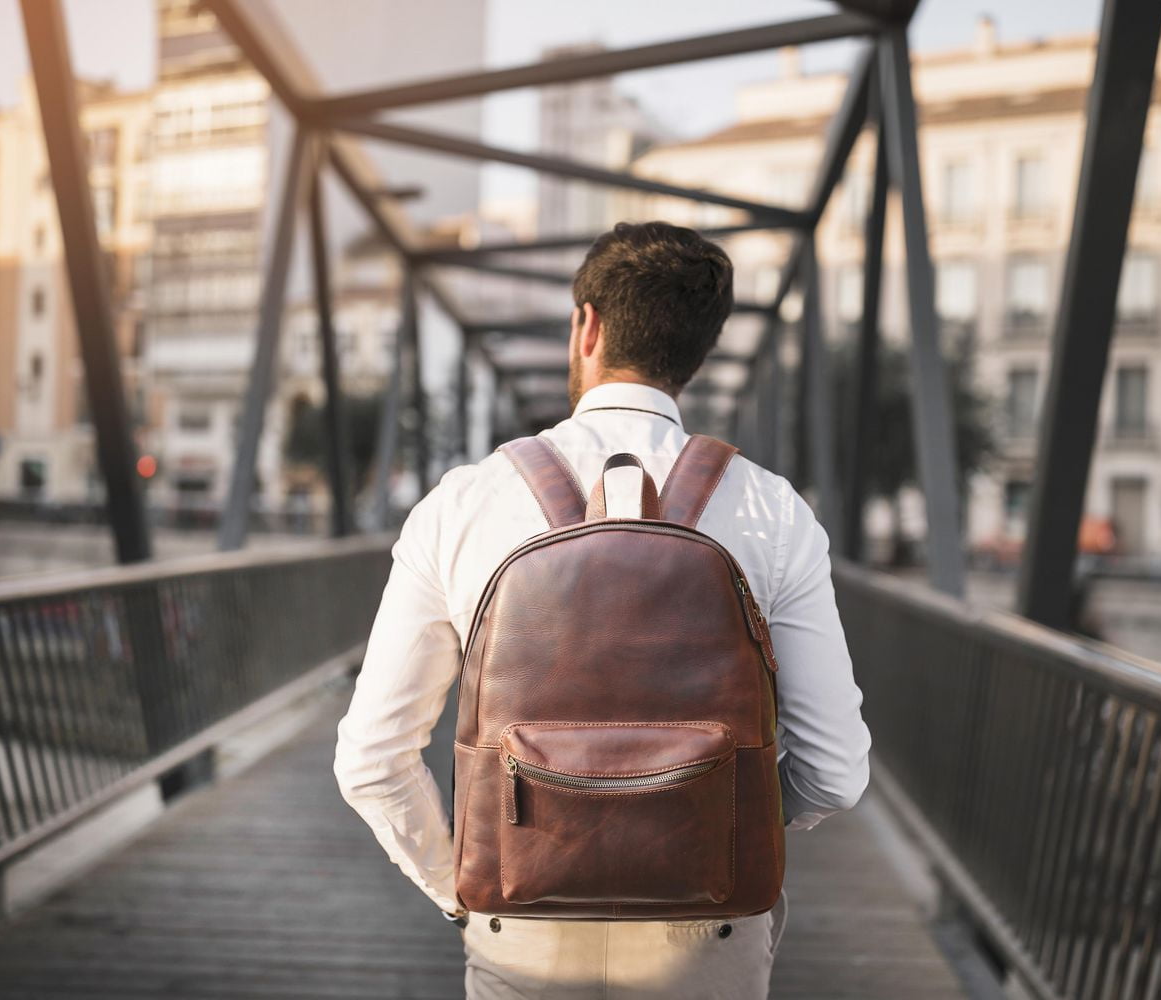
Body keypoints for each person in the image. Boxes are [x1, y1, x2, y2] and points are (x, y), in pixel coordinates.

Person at [333, 221, 872, 998]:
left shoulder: (464, 502)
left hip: (524, 930)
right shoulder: (773, 512)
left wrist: (467, 892)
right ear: (698, 353)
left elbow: (372, 760)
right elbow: (836, 773)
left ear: (587, 325)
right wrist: (715, 819)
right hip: (707, 933)